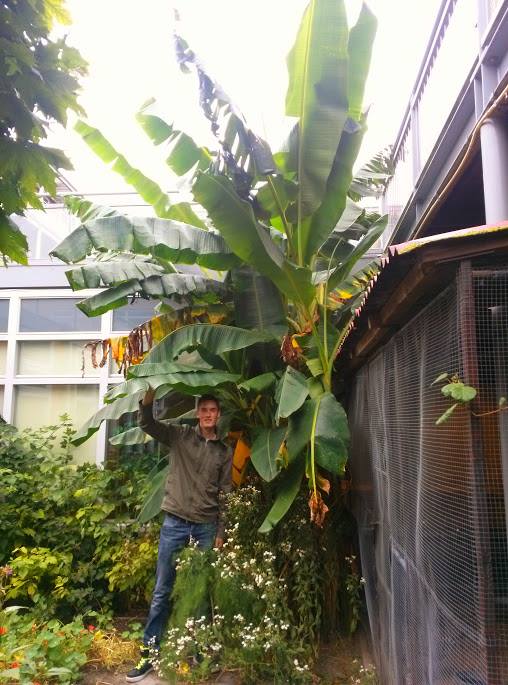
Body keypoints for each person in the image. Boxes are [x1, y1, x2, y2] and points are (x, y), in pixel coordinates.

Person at [126, 389, 232, 683]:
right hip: (175, 523)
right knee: (163, 591)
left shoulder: (224, 451)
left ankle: (199, 653)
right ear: (198, 414)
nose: (208, 414)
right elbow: (148, 424)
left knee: (199, 593)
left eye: (213, 410)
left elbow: (225, 493)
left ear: (218, 415)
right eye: (204, 410)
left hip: (205, 526)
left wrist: (221, 531)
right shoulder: (180, 436)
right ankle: (149, 654)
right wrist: (148, 399)